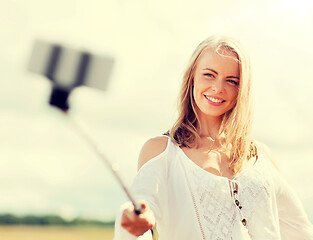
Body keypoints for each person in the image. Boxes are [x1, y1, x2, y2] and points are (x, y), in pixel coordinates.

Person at [113, 36, 313, 240]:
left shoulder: (262, 157)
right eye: (209, 75)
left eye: (232, 81)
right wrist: (135, 218)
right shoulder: (161, 151)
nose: (218, 88)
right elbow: (142, 202)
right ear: (192, 77)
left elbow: (300, 230)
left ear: (241, 90)